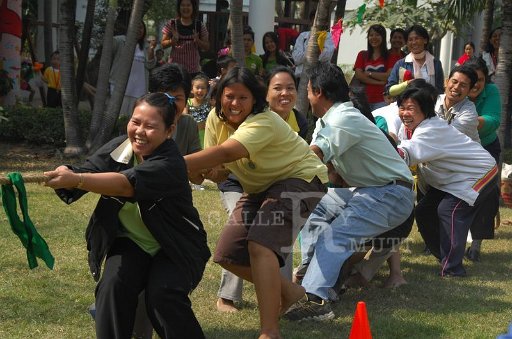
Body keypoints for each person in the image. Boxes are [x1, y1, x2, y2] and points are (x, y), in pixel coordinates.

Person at [44, 92, 210, 338]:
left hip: (175, 246)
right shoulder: (121, 147)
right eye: (135, 122)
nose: (140, 131)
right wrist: (68, 172)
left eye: (150, 126)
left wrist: (77, 179)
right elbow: (91, 170)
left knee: (163, 294)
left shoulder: (171, 163)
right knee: (112, 287)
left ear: (169, 130)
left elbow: (126, 184)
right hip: (132, 243)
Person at [185, 66, 328, 338]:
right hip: (260, 186)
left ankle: (270, 331)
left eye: (243, 97)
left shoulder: (264, 120)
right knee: (227, 253)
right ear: (219, 98)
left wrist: (172, 163)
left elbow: (227, 151)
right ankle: (291, 292)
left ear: (255, 100)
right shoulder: (217, 119)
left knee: (260, 244)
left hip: (300, 178)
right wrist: (199, 171)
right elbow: (220, 167)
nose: (235, 104)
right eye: (229, 96)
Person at [283, 62, 414, 321]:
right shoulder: (325, 122)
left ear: (318, 91)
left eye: (307, 90)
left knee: (335, 236)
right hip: (368, 192)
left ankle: (316, 300)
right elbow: (321, 171)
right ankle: (310, 274)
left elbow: (313, 157)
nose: (306, 96)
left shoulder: (345, 117)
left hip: (390, 194)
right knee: (314, 205)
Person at [215, 66, 309, 313]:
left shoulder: (296, 119)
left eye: (290, 88)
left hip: (281, 182)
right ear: (264, 93)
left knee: (268, 236)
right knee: (240, 234)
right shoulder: (233, 117)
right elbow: (219, 161)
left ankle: (281, 297)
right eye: (278, 88)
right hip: (240, 181)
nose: (285, 93)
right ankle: (228, 296)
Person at [396, 80, 499, 277]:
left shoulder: (430, 129)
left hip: (479, 173)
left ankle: (453, 269)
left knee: (449, 211)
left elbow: (405, 153)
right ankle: (445, 257)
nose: (404, 114)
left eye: (410, 108)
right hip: (453, 178)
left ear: (425, 110)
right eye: (402, 108)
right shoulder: (412, 126)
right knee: (425, 211)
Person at [464, 57, 502, 262]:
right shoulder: (457, 90)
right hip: (458, 151)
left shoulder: (492, 91)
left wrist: (468, 121)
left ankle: (476, 243)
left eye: (480, 79)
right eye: (472, 79)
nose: (476, 84)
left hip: (486, 147)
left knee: (487, 192)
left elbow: (493, 120)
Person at [149, 63, 201, 156]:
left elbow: (198, 160)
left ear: (185, 100)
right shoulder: (142, 125)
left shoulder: (188, 124)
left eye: (177, 98)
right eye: (164, 97)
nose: (170, 104)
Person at [111, 20, 156, 118]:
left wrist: (151, 51)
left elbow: (150, 66)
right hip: (120, 88)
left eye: (141, 28)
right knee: (118, 116)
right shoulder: (121, 41)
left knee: (134, 116)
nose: (139, 30)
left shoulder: (146, 46)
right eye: (136, 27)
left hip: (139, 89)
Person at [385, 25, 444, 98]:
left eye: (417, 38)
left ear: (425, 40)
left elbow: (440, 90)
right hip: (407, 106)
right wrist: (406, 84)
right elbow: (389, 90)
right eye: (410, 40)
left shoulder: (435, 63)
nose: (413, 42)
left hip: (430, 106)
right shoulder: (401, 64)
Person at [161, 0, 210, 76]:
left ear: (193, 7)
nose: (185, 8)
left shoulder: (199, 25)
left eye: (188, 5)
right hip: (175, 70)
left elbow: (207, 47)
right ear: (179, 7)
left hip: (193, 71)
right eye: (183, 5)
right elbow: (163, 44)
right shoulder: (172, 24)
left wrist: (198, 41)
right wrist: (172, 41)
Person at [434, 65, 480, 142]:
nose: (456, 87)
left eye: (463, 85)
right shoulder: (433, 101)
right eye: (454, 82)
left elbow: (449, 136)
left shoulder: (469, 113)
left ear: (470, 90)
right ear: (446, 82)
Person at [353, 24, 391, 110]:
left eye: (377, 35)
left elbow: (388, 76)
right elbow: (359, 75)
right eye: (371, 35)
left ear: (383, 37)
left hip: (382, 100)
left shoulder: (389, 56)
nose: (374, 38)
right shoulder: (362, 54)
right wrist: (380, 82)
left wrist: (368, 73)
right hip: (363, 99)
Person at [291, 10, 335, 82]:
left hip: (320, 78)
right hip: (300, 78)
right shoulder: (303, 36)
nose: (317, 23)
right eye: (314, 20)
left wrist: (309, 53)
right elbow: (296, 58)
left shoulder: (328, 36)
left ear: (326, 22)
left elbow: (325, 57)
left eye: (321, 20)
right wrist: (314, 52)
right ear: (311, 21)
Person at [185, 73, 210, 148]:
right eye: (197, 87)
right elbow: (185, 119)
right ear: (192, 90)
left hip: (206, 134)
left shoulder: (209, 103)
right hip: (193, 135)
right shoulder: (188, 103)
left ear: (207, 90)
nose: (200, 90)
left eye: (203, 88)